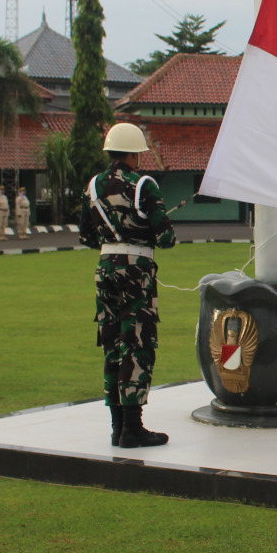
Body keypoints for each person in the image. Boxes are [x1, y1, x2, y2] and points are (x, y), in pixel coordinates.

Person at [78, 122, 177, 448]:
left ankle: (117, 427)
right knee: (137, 343)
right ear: (135, 154)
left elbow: (85, 236)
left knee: (112, 344)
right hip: (137, 272)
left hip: (105, 269)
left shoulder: (93, 186)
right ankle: (133, 428)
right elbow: (166, 239)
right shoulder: (143, 185)